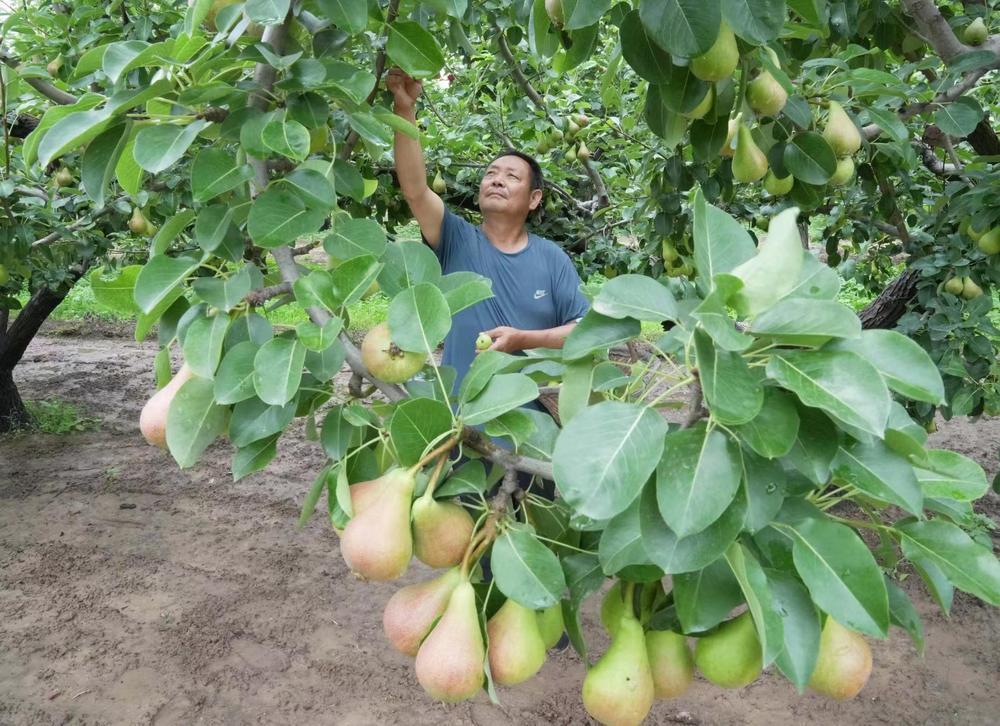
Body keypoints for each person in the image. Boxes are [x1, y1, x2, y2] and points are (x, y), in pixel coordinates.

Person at [386, 68, 590, 394]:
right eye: (491, 173)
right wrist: (404, 108)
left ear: (534, 199)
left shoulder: (552, 259)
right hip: (460, 416)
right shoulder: (455, 238)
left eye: (511, 177)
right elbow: (415, 189)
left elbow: (585, 330)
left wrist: (524, 339)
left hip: (530, 419)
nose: (496, 180)